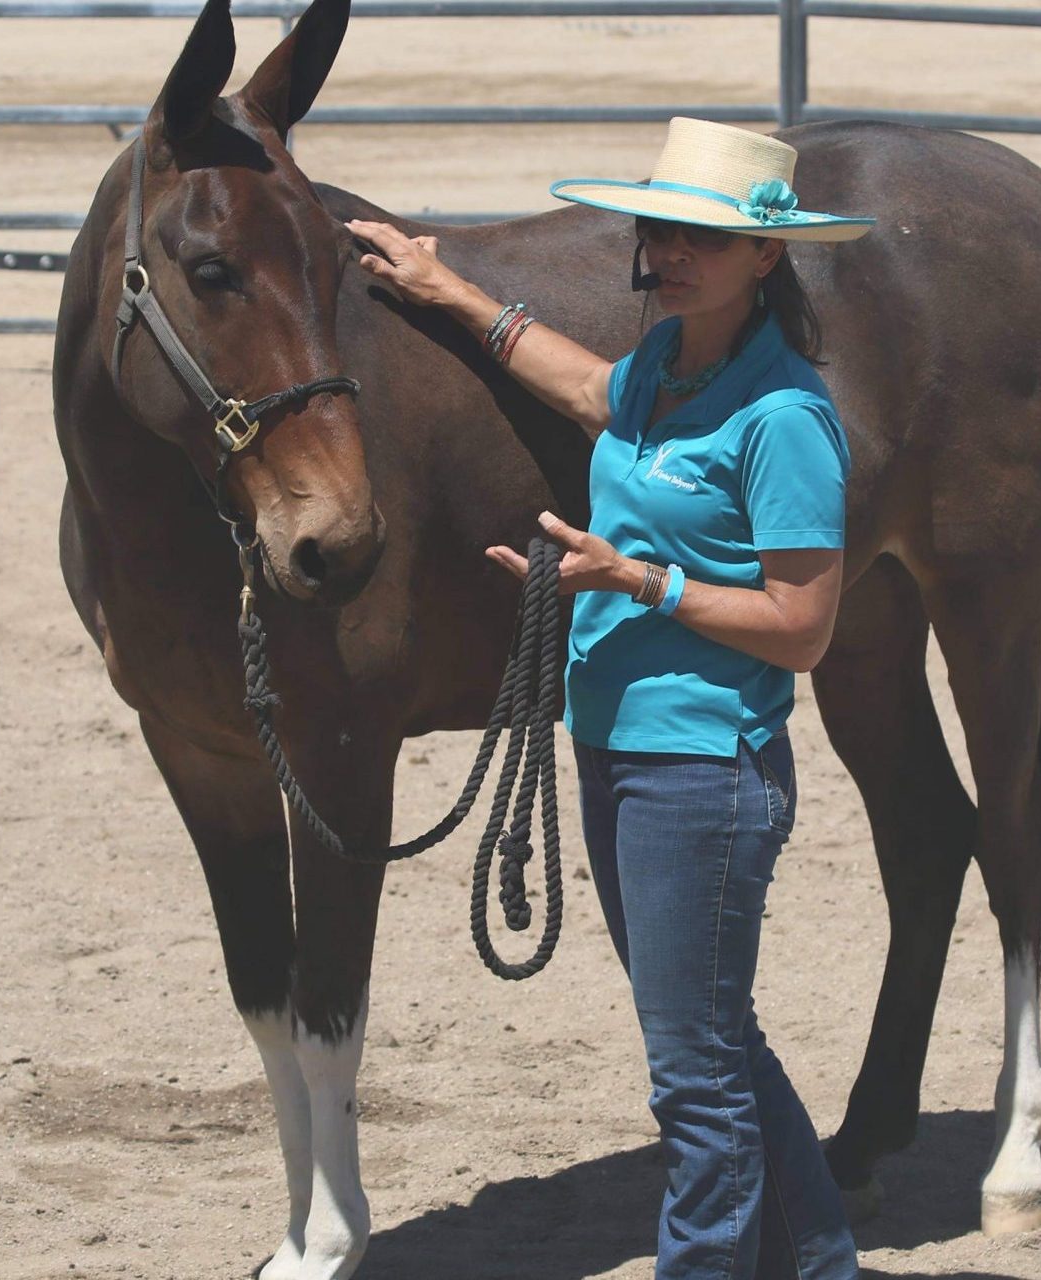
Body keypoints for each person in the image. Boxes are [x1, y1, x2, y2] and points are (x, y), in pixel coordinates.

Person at [345, 116, 875, 1280]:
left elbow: (803, 627)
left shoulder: (783, 418)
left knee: (691, 1077)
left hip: (703, 768)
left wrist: (635, 575)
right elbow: (585, 385)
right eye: (661, 227)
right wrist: (448, 291)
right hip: (620, 751)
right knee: (718, 1042)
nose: (670, 250)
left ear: (766, 256)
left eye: (702, 236)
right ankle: (821, 1260)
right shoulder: (667, 372)